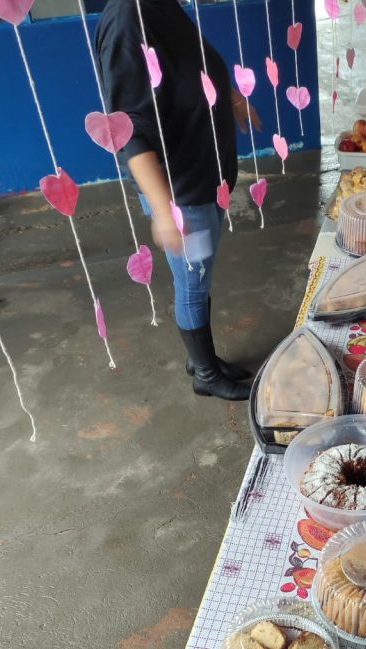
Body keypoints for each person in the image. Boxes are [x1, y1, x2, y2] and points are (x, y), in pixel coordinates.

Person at [95, 0, 260, 401]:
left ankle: (202, 356)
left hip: (206, 178)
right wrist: (162, 207)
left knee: (199, 277)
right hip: (181, 191)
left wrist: (233, 98)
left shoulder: (160, 5)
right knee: (192, 281)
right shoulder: (126, 22)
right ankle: (205, 373)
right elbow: (129, 129)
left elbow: (190, 70)